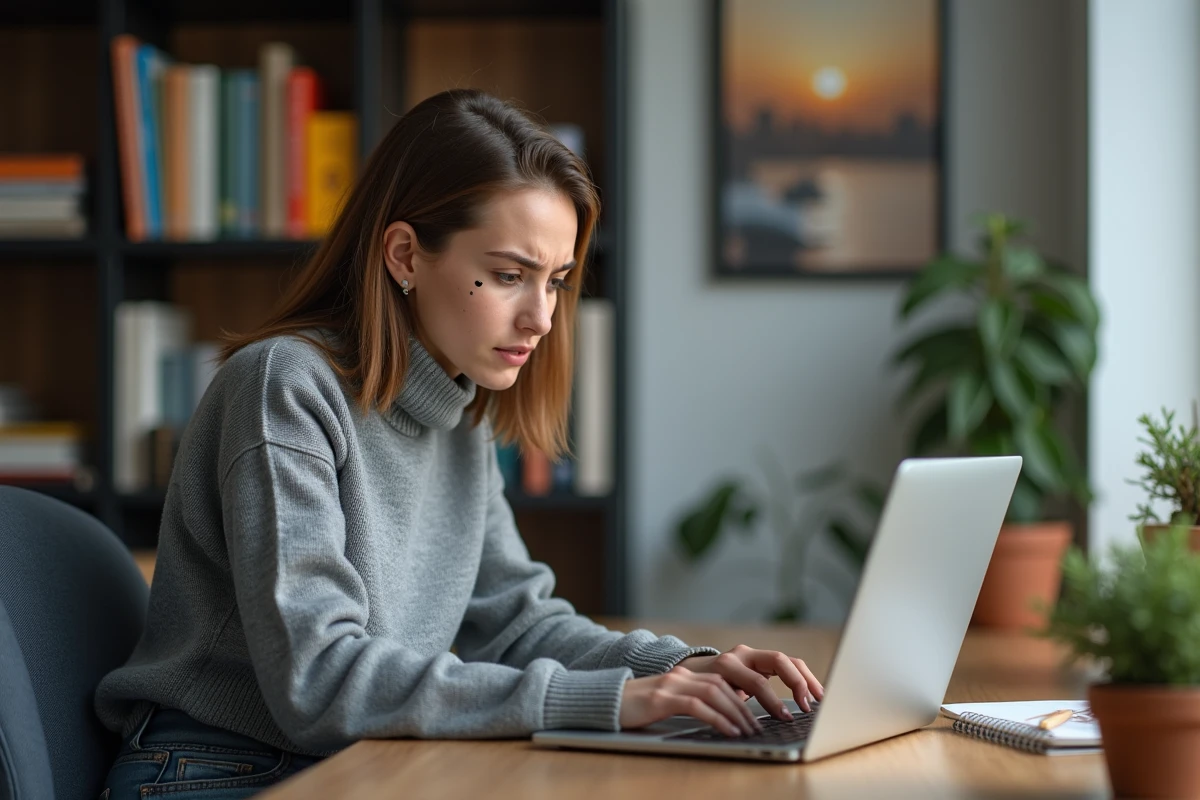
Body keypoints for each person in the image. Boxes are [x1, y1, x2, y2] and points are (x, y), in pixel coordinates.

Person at [94, 88, 824, 799]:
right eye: (509, 275)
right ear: (405, 255)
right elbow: (319, 682)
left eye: (557, 282)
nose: (540, 318)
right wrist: (608, 701)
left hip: (352, 761)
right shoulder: (284, 388)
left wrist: (689, 669)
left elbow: (513, 623)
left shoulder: (456, 410)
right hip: (215, 770)